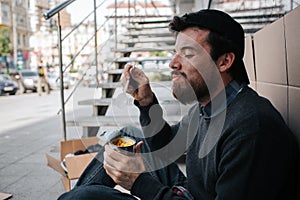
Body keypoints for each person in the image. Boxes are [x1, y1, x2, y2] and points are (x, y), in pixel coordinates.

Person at [58, 9, 299, 200]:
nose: (173, 63)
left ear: (224, 61)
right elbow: (165, 144)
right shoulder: (207, 108)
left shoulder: (251, 128)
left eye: (188, 53)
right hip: (192, 191)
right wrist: (146, 102)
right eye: (175, 53)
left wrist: (138, 182)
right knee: (127, 137)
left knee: (88, 196)